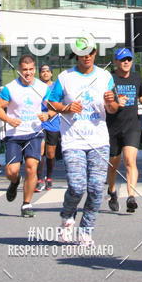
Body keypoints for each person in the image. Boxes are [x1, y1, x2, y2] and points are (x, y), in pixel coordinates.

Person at [46, 32, 119, 246]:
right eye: (82, 53)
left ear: (95, 53)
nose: (86, 56)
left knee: (96, 189)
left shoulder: (105, 76)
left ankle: (86, 230)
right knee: (77, 187)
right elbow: (51, 103)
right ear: (76, 55)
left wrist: (110, 102)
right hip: (73, 141)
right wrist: (67, 108)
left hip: (99, 140)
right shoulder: (65, 77)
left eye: (90, 52)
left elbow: (113, 109)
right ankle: (67, 216)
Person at [0, 54, 50, 217]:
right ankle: (14, 181)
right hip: (14, 135)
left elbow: (53, 107)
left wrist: (48, 115)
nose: (28, 73)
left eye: (31, 69)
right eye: (25, 70)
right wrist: (9, 120)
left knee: (32, 167)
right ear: (19, 70)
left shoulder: (43, 88)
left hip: (34, 133)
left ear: (35, 70)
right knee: (12, 171)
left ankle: (26, 204)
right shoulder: (10, 88)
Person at [106, 47, 142, 213]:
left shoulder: (136, 78)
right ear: (116, 61)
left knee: (130, 161)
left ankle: (131, 197)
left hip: (132, 126)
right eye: (122, 59)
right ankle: (112, 191)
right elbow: (104, 101)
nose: (126, 62)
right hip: (112, 127)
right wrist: (115, 102)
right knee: (113, 165)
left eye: (129, 59)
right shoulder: (109, 79)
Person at [36, 64, 60, 191]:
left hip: (53, 122)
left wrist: (50, 113)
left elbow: (59, 105)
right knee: (39, 151)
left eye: (47, 71)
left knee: (50, 154)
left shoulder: (56, 87)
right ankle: (39, 179)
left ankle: (49, 177)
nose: (45, 73)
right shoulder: (34, 86)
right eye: (42, 71)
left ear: (51, 73)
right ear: (40, 74)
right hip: (38, 123)